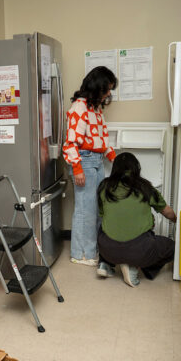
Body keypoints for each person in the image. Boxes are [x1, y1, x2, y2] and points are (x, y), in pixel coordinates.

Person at [63, 66, 118, 266]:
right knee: (85, 209)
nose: (109, 94)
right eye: (106, 89)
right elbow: (71, 142)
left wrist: (112, 156)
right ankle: (81, 254)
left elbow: (101, 138)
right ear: (97, 87)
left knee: (95, 207)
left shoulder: (95, 108)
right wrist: (77, 168)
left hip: (95, 160)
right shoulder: (79, 107)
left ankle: (91, 250)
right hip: (83, 161)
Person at [96, 152, 177, 287]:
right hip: (140, 251)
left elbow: (103, 215)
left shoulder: (104, 187)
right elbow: (167, 212)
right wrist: (177, 221)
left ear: (115, 168)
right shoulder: (145, 187)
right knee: (173, 248)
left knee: (103, 226)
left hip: (107, 249)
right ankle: (135, 267)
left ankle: (105, 264)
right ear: (136, 168)